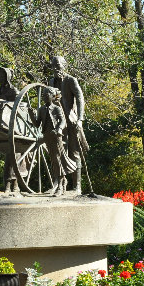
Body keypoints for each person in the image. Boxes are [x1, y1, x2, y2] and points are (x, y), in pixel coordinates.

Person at [49, 56, 88, 194]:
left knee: (74, 152)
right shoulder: (51, 81)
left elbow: (80, 98)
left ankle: (77, 186)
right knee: (58, 152)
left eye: (58, 65)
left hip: (71, 121)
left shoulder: (71, 80)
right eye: (53, 65)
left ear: (64, 65)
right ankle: (60, 184)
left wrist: (80, 119)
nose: (56, 68)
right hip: (58, 122)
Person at [37, 87, 77, 196]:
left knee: (58, 159)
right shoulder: (41, 109)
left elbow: (63, 121)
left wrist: (58, 129)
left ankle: (61, 184)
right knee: (54, 160)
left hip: (56, 137)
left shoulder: (56, 109)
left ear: (52, 96)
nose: (44, 96)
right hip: (47, 137)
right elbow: (37, 124)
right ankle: (61, 182)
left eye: (46, 94)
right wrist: (32, 115)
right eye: (43, 95)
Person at [0, 67, 25, 194]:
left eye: (2, 76)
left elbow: (19, 107)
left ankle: (14, 186)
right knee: (9, 159)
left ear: (7, 77)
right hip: (1, 125)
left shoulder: (13, 91)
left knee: (14, 158)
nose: (0, 79)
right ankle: (7, 186)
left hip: (13, 126)